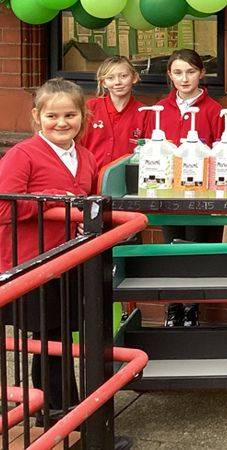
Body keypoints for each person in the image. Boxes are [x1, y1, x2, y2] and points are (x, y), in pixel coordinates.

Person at [0, 78, 96, 420]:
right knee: (48, 338)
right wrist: (52, 203)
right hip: (29, 262)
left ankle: (54, 410)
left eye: (70, 115)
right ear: (36, 117)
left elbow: (82, 203)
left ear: (82, 117)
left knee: (55, 338)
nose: (61, 123)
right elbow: (4, 207)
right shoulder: (22, 154)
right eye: (52, 116)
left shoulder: (84, 156)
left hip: (65, 259)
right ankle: (59, 412)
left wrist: (80, 219)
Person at [150, 48, 224, 327]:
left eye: (191, 72)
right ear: (169, 74)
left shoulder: (214, 109)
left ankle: (193, 308)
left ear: (201, 74)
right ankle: (173, 306)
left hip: (202, 197)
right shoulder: (159, 109)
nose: (184, 78)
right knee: (171, 249)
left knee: (196, 250)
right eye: (178, 72)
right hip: (169, 196)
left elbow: (221, 153)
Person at [79, 56, 147, 169]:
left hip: (126, 179)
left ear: (134, 78)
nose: (117, 82)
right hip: (91, 177)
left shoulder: (144, 112)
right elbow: (77, 145)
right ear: (103, 82)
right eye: (110, 78)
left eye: (124, 76)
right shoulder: (91, 107)